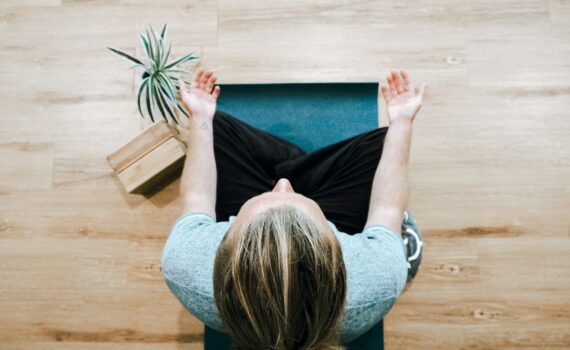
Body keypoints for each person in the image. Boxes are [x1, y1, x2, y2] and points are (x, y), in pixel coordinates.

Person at [161, 68, 426, 349]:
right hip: (343, 222)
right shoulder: (376, 278)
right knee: (382, 144)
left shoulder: (185, 263)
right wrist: (402, 123)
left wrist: (200, 117)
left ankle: (293, 162)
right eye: (296, 198)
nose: (284, 184)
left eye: (271, 194)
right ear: (339, 249)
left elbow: (197, 195)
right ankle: (302, 166)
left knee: (216, 128)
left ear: (222, 243)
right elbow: (387, 211)